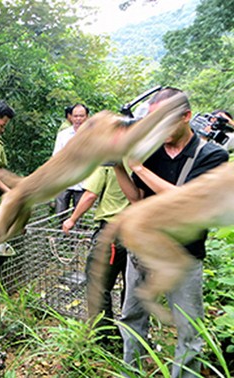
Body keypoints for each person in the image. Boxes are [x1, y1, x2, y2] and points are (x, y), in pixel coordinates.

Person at [112, 87, 228, 377]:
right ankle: (132, 372)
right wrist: (118, 166)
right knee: (132, 317)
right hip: (143, 252)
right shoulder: (151, 153)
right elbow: (138, 199)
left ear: (186, 116)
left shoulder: (212, 156)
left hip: (183, 256)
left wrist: (136, 166)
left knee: (189, 328)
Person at [62, 165, 129, 346]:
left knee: (98, 287)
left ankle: (103, 339)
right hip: (139, 233)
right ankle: (129, 337)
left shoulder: (108, 163)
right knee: (131, 288)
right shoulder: (145, 156)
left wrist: (72, 219)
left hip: (113, 234)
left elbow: (90, 194)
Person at [53, 103, 90, 215]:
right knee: (60, 212)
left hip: (83, 180)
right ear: (71, 117)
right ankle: (60, 232)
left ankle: (78, 232)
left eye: (81, 116)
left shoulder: (92, 135)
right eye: (75, 116)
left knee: (79, 213)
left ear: (87, 117)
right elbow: (56, 156)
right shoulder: (63, 135)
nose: (78, 119)